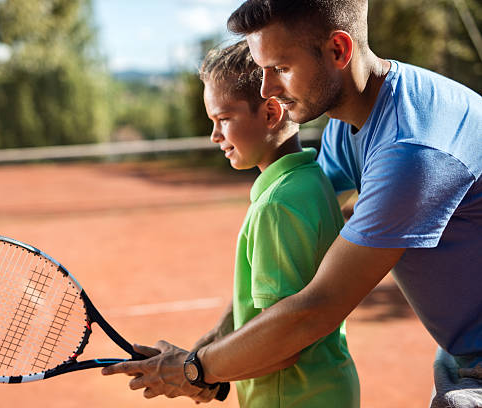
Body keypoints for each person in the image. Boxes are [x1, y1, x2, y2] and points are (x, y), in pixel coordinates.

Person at [103, 1, 482, 406]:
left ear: (339, 50)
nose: (266, 89)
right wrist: (206, 352)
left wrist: (195, 367)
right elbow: (309, 220)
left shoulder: (410, 151)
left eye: (280, 68)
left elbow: (315, 310)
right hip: (464, 350)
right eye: (262, 69)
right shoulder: (350, 119)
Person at [104, 40, 361, 407]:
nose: (215, 136)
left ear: (271, 113)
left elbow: (283, 343)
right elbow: (266, 321)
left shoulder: (278, 204)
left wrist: (195, 369)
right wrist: (201, 362)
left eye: (224, 119)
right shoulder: (307, 180)